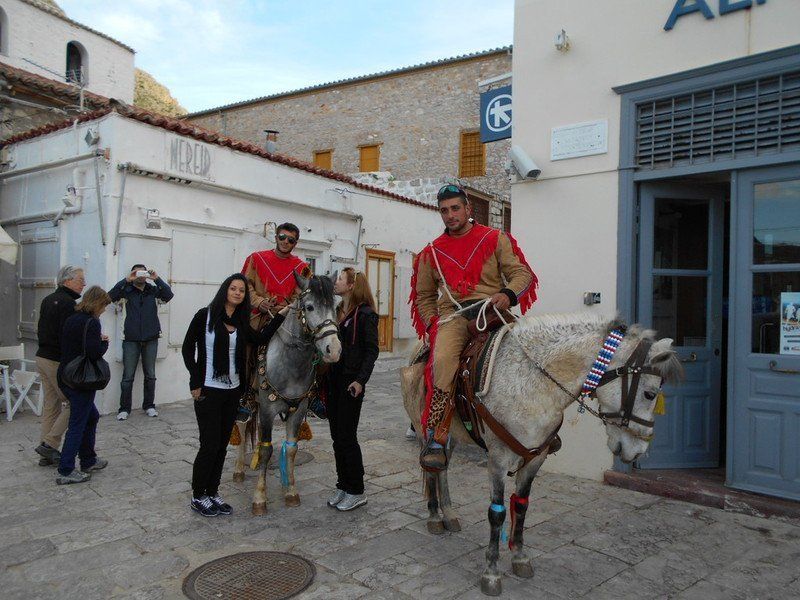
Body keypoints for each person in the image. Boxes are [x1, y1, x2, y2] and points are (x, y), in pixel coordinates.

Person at [410, 184, 538, 471]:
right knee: (443, 360)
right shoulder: (431, 252)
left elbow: (521, 274)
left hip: (492, 310)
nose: (450, 215)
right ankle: (437, 433)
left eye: (455, 208)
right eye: (444, 210)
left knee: (529, 352)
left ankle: (537, 423)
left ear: (468, 208)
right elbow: (424, 297)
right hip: (454, 317)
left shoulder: (495, 238)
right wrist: (433, 324)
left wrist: (507, 295)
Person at [182, 273, 289, 517]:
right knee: (209, 445)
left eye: (241, 290)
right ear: (225, 290)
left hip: (232, 391)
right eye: (233, 288)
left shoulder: (241, 322)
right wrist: (195, 381)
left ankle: (212, 492)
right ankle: (198, 495)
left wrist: (281, 315)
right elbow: (188, 349)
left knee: (221, 446)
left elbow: (261, 338)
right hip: (208, 389)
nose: (238, 293)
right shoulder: (204, 316)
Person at [326, 268, 379, 512]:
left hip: (351, 382)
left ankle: (356, 490)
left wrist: (360, 380)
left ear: (351, 286)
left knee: (347, 436)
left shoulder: (366, 314)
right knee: (336, 436)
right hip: (333, 380)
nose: (336, 282)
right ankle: (343, 484)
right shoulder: (337, 311)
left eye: (340, 279)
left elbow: (371, 351)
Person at [56, 286, 112, 485]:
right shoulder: (92, 322)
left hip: (66, 374)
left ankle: (88, 459)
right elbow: (93, 352)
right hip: (81, 379)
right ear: (97, 304)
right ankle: (66, 469)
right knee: (77, 424)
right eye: (103, 306)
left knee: (91, 416)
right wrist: (104, 343)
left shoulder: (72, 318)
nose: (103, 310)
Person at [34, 265, 85, 466]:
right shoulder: (68, 304)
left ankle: (45, 452)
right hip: (56, 360)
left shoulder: (48, 299)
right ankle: (49, 444)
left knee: (51, 405)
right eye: (80, 280)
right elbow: (68, 335)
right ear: (67, 281)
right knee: (76, 402)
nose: (84, 284)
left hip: (42, 356)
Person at [109, 264, 174, 420]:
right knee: (128, 376)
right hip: (131, 339)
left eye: (142, 272)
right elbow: (110, 296)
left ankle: (149, 405)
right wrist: (127, 280)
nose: (140, 275)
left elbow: (168, 295)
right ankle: (124, 408)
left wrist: (156, 278)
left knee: (150, 375)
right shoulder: (125, 291)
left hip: (151, 338)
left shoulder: (153, 290)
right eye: (137, 273)